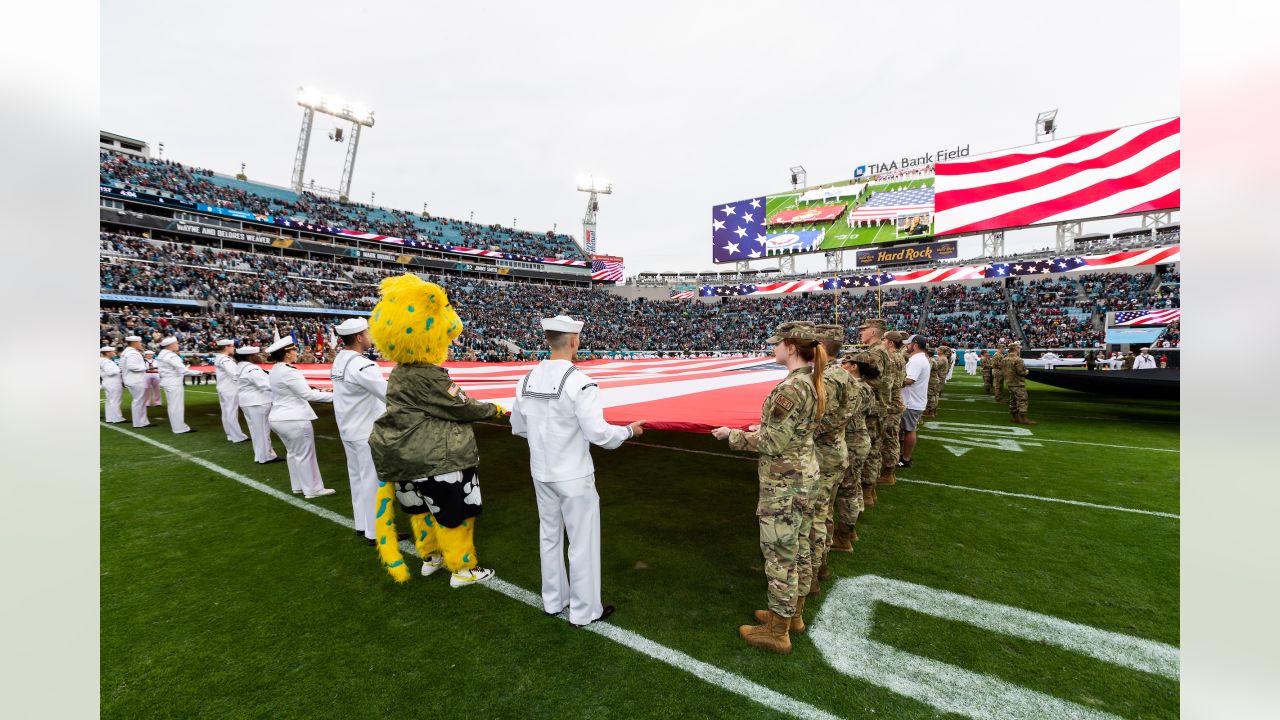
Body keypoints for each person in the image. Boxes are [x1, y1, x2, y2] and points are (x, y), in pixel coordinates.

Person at [368, 274, 506, 588]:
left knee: (421, 512)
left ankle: (432, 558)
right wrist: (495, 409)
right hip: (437, 460)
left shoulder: (399, 373)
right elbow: (462, 406)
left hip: (405, 460)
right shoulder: (430, 376)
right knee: (454, 514)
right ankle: (463, 568)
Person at [510, 314, 645, 626]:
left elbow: (518, 427)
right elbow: (598, 433)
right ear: (574, 341)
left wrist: (546, 439)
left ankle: (553, 601)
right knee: (582, 542)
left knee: (549, 537)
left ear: (548, 340)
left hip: (541, 471)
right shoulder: (579, 381)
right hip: (573, 474)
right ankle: (585, 611)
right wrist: (627, 432)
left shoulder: (526, 379)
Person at [711, 321, 824, 655]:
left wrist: (732, 435)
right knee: (800, 549)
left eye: (777, 344)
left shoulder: (790, 388)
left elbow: (773, 442)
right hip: (805, 476)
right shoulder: (813, 381)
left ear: (790, 347)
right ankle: (793, 615)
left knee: (780, 556)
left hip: (784, 484)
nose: (772, 348)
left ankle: (777, 631)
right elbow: (794, 430)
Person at [799, 324, 855, 597]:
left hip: (823, 455)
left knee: (813, 519)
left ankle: (810, 578)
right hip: (835, 451)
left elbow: (820, 420)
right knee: (825, 512)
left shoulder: (829, 379)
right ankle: (820, 566)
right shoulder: (843, 375)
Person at [331, 318, 388, 546]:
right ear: (359, 337)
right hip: (366, 431)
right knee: (371, 481)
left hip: (348, 429)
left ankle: (362, 525)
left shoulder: (340, 360)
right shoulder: (363, 364)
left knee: (357, 479)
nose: (371, 336)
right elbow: (389, 394)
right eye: (368, 332)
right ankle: (376, 533)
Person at [266, 337, 336, 498]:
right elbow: (307, 394)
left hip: (279, 417)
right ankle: (313, 489)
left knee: (293, 453)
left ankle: (298, 486)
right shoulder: (290, 371)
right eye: (294, 350)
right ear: (287, 354)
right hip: (294, 418)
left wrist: (322, 392)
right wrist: (335, 396)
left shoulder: (276, 369)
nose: (296, 353)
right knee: (305, 454)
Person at [831, 349, 878, 553]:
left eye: (845, 362)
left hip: (851, 441)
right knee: (854, 485)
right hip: (859, 438)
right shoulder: (866, 387)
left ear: (854, 366)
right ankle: (850, 531)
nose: (842, 365)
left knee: (847, 490)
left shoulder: (854, 387)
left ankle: (843, 536)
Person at [855, 319, 891, 500]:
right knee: (874, 449)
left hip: (874, 408)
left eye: (864, 330)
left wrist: (853, 381)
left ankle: (867, 491)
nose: (861, 333)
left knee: (869, 451)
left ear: (873, 333)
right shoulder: (879, 350)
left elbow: (874, 380)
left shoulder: (875, 352)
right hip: (879, 407)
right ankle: (870, 489)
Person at [234, 345, 279, 464]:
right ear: (250, 357)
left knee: (256, 431)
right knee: (262, 431)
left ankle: (260, 456)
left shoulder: (241, 367)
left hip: (248, 402)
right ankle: (266, 456)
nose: (260, 356)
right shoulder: (252, 369)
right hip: (258, 402)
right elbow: (265, 385)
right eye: (257, 354)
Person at [878, 330, 907, 485]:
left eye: (883, 339)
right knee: (892, 438)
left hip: (890, 403)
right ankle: (890, 472)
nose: (881, 342)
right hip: (896, 400)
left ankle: (889, 473)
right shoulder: (900, 357)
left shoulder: (890, 357)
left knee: (889, 439)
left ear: (890, 342)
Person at [900, 334, 932, 468]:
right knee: (909, 429)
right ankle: (905, 457)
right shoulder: (919, 359)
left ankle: (906, 459)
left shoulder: (917, 360)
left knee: (909, 430)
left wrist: (893, 381)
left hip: (911, 401)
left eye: (909, 344)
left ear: (915, 345)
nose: (907, 346)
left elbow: (910, 380)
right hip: (914, 400)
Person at [213, 339, 249, 443]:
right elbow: (234, 374)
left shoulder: (221, 358)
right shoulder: (225, 360)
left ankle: (230, 434)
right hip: (230, 389)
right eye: (232, 346)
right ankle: (237, 436)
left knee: (226, 412)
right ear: (226, 347)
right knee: (231, 412)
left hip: (224, 388)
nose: (234, 348)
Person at [156, 337, 194, 434]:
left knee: (173, 406)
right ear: (171, 345)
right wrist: (200, 372)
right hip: (174, 382)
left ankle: (179, 427)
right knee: (176, 406)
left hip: (168, 381)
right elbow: (183, 370)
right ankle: (179, 428)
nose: (178, 345)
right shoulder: (171, 356)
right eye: (176, 343)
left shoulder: (162, 354)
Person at [120, 335, 152, 428]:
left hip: (131, 379)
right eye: (139, 342)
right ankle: (140, 423)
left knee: (138, 401)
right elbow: (132, 366)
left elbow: (122, 366)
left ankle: (140, 422)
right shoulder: (132, 353)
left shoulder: (126, 352)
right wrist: (146, 368)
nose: (140, 344)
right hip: (136, 380)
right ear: (134, 343)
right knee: (139, 402)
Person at [1005, 341, 1036, 425]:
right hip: (1018, 383)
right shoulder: (1018, 359)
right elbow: (1021, 372)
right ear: (1015, 349)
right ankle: (1022, 418)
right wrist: (1026, 371)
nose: (1019, 349)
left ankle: (1014, 417)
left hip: (1009, 383)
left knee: (1013, 401)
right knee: (1022, 400)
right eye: (1018, 348)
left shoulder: (1005, 359)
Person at [100, 346, 126, 423]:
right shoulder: (106, 362)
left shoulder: (102, 360)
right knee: (115, 400)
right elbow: (110, 372)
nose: (114, 353)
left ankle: (110, 418)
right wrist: (120, 370)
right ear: (108, 353)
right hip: (112, 382)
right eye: (112, 352)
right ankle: (117, 418)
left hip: (107, 382)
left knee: (109, 401)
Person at [924, 348, 944, 418]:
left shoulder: (931, 360)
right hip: (934, 380)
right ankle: (934, 411)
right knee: (935, 396)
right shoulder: (933, 359)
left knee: (931, 396)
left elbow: (927, 370)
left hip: (932, 381)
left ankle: (930, 411)